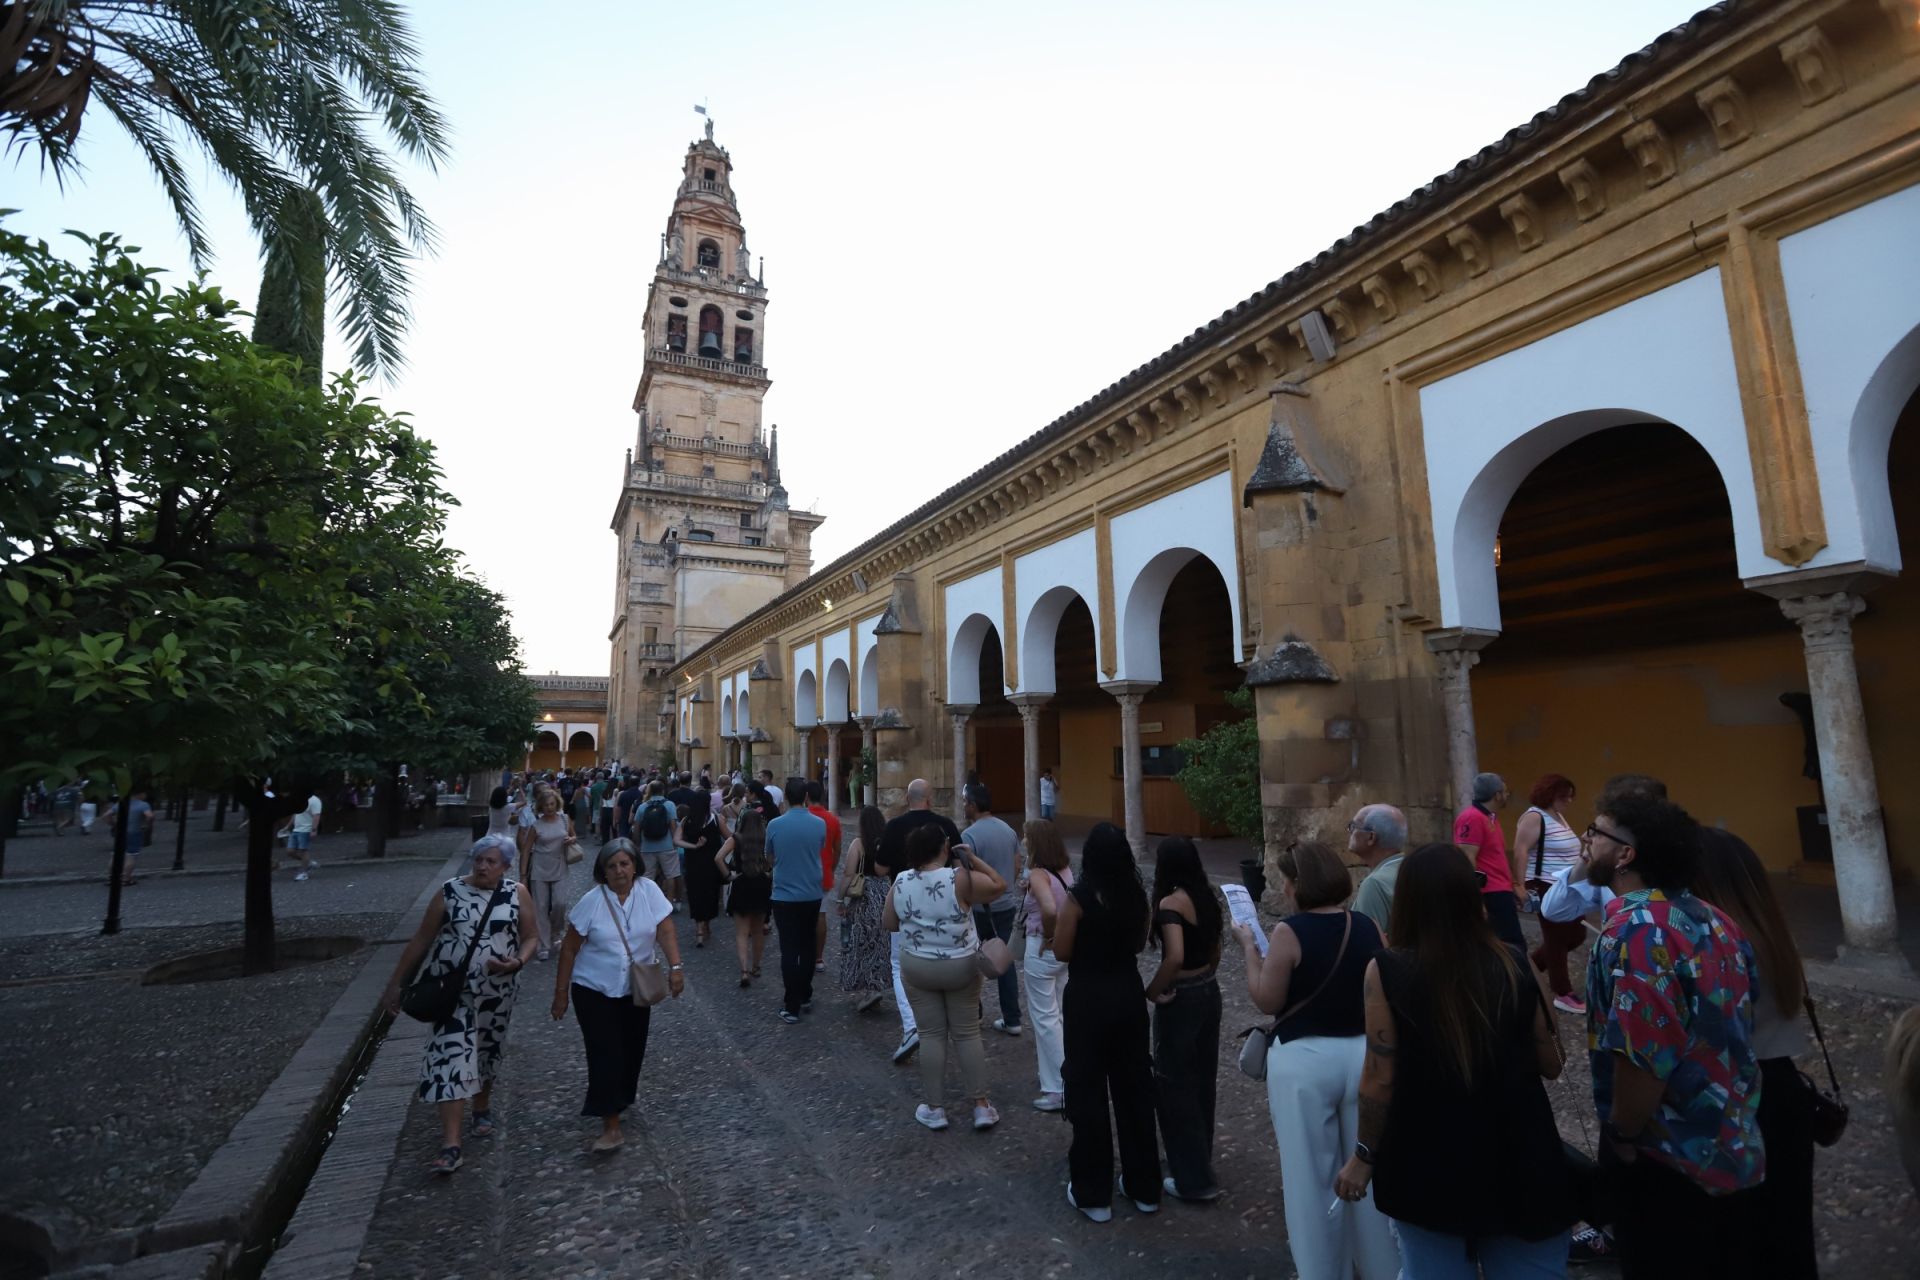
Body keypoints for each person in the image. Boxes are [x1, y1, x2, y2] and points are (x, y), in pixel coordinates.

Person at [1333, 844, 1574, 1275]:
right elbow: (1553, 1063)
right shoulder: (1514, 963)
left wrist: (1364, 1156)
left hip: (1427, 1158)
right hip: (1519, 1155)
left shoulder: (1387, 970)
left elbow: (1379, 1077)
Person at [1584, 792, 1763, 1277]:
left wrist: (1622, 1135)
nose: (1586, 839)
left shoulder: (1636, 931)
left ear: (1626, 854)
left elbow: (1644, 1055)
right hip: (1732, 1146)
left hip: (1669, 1161)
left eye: (1596, 831)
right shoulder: (1717, 919)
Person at [1234, 841, 1396, 1278]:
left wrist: (1248, 948)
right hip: (1362, 1054)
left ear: (1297, 884)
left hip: (1306, 1060)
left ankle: (1323, 1271)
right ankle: (1384, 1268)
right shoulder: (1366, 925)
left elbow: (1268, 999)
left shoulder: (1290, 932)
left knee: (1310, 1179)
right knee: (1367, 1168)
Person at [1693, 827, 1817, 1277]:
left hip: (1737, 1096)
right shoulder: (1773, 935)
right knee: (1786, 1234)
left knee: (1735, 1242)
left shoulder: (1717, 947)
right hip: (1784, 1092)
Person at [382, 836, 537, 1174]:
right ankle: (451, 1144)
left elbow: (530, 937)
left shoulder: (517, 893)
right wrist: (397, 983)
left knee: (486, 1050)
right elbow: (421, 940)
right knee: (450, 1057)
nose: (482, 866)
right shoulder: (449, 891)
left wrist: (518, 961)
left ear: (505, 866)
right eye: (478, 859)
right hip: (452, 993)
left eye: (491, 861)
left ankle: (481, 1105)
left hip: (496, 992)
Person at [1053, 822, 1159, 1221]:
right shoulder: (1136, 897)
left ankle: (1093, 1192)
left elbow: (1062, 951)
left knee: (1087, 1091)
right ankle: (1144, 1185)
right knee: (1135, 1089)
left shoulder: (1078, 898)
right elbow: (1138, 943)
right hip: (1127, 995)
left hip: (1087, 999)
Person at [549, 838, 683, 1153]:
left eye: (625, 864)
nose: (619, 870)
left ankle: (619, 1098)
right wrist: (561, 993)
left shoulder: (649, 892)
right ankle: (610, 1125)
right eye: (612, 866)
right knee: (604, 1053)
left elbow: (665, 930)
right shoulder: (592, 902)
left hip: (635, 987)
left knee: (632, 1050)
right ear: (603, 871)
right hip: (594, 989)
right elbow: (569, 948)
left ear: (635, 866)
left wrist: (676, 967)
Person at [883, 822, 1006, 1130]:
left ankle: (935, 1108)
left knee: (930, 1035)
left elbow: (889, 923)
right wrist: (972, 859)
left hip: (918, 966)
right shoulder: (958, 878)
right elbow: (998, 885)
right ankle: (981, 1106)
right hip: (960, 966)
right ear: (945, 847)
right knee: (967, 1033)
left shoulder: (901, 881)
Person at [1145, 836, 1224, 1203]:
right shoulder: (1206, 897)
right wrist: (1207, 975)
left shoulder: (1169, 904)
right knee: (1204, 1078)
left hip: (1182, 996)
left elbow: (1174, 955)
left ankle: (1192, 1177)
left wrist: (1153, 990)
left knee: (1175, 1083)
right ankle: (1198, 1157)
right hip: (1209, 989)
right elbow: (1216, 948)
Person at [875, 778, 962, 1065]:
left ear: (906, 798)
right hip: (945, 906)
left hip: (906, 905)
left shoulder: (894, 826)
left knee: (900, 965)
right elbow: (960, 865)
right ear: (930, 798)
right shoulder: (945, 826)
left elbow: (880, 868)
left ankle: (912, 1026)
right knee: (946, 957)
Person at [1516, 773, 1587, 1013]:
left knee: (1577, 934)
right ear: (1550, 794)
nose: (1569, 801)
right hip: (1544, 884)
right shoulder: (1534, 817)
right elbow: (1521, 850)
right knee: (1556, 937)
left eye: (1570, 796)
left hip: (1565, 886)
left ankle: (1527, 971)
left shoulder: (1558, 816)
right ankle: (1562, 992)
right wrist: (1520, 885)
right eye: (1564, 796)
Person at [961, 783, 1023, 1036]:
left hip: (979, 908)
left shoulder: (969, 836)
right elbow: (1017, 865)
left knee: (972, 961)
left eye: (965, 802)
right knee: (1004, 961)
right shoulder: (1008, 830)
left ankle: (974, 1013)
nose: (963, 806)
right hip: (1005, 904)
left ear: (973, 805)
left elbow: (965, 875)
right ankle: (1013, 1018)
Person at [1021, 819, 1074, 1112]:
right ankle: (1068, 1074)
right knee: (1060, 1015)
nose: (1023, 842)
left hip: (1043, 948)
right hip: (1064, 949)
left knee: (1045, 1019)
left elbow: (1050, 909)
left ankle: (1058, 1087)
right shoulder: (1064, 870)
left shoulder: (1039, 874)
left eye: (1026, 837)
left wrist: (1049, 936)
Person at [766, 780, 826, 1022]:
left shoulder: (774, 825)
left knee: (789, 949)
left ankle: (792, 1004)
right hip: (811, 893)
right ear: (806, 797)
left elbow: (769, 857)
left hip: (784, 895)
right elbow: (819, 849)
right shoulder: (819, 824)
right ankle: (805, 993)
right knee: (808, 946)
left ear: (787, 798)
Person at [1455, 772, 1524, 950]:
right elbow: (1467, 859)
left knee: (1511, 945)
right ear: (1497, 795)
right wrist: (1477, 899)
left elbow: (1497, 857)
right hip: (1490, 893)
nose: (1507, 795)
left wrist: (1513, 885)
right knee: (1511, 947)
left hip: (1500, 890)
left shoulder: (1490, 818)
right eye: (1505, 792)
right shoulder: (1472, 818)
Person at [837, 805, 891, 1012]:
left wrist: (840, 899)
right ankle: (876, 984)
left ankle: (868, 988)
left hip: (864, 897)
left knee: (861, 943)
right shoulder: (886, 843)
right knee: (881, 943)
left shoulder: (858, 844)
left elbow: (849, 874)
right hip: (885, 894)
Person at [716, 807, 772, 985]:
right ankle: (756, 966)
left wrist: (728, 876)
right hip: (761, 885)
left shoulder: (736, 838)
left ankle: (744, 971)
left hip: (742, 884)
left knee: (741, 933)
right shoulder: (765, 838)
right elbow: (773, 860)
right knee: (758, 931)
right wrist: (768, 872)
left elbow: (718, 858)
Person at [521, 790, 576, 962]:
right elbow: (525, 850)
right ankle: (543, 945)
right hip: (539, 869)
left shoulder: (564, 819)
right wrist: (523, 875)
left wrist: (572, 840)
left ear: (557, 804)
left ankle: (555, 932)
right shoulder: (536, 826)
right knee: (540, 908)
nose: (549, 807)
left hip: (560, 866)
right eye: (546, 805)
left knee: (560, 903)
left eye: (552, 804)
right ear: (541, 807)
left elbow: (573, 835)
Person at [1346, 804, 1407, 940]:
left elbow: (1365, 942)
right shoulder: (1414, 870)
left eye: (1354, 826)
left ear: (1371, 837)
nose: (1350, 831)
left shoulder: (1375, 884)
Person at [676, 790, 725, 946]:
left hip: (693, 863)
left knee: (695, 894)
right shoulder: (716, 819)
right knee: (710, 893)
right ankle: (706, 925)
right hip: (712, 864)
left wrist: (694, 846)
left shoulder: (687, 820)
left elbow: (676, 840)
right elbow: (730, 837)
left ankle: (699, 929)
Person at [805, 780, 842, 972]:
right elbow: (837, 850)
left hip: (802, 875)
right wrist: (831, 868)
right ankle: (818, 958)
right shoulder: (832, 819)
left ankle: (802, 953)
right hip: (823, 874)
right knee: (821, 915)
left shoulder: (803, 817)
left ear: (806, 796)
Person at [632, 782, 682, 908]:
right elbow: (673, 826)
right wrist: (675, 842)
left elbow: (636, 828)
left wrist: (638, 844)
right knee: (670, 875)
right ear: (663, 790)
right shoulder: (669, 805)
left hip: (647, 846)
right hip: (667, 845)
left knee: (647, 876)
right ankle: (669, 902)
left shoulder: (643, 806)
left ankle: (647, 902)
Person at [278, 789, 324, 881]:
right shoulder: (300, 799)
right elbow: (295, 814)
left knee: (303, 851)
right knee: (290, 851)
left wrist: (314, 829)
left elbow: (316, 816)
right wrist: (287, 827)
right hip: (296, 829)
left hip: (306, 830)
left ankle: (304, 873)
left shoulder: (315, 800)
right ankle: (308, 863)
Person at [118, 787, 154, 884]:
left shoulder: (122, 803)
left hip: (121, 833)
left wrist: (113, 824)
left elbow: (106, 815)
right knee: (131, 856)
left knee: (115, 855)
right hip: (134, 833)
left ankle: (112, 878)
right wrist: (146, 825)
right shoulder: (143, 804)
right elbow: (150, 816)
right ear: (140, 794)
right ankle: (126, 878)